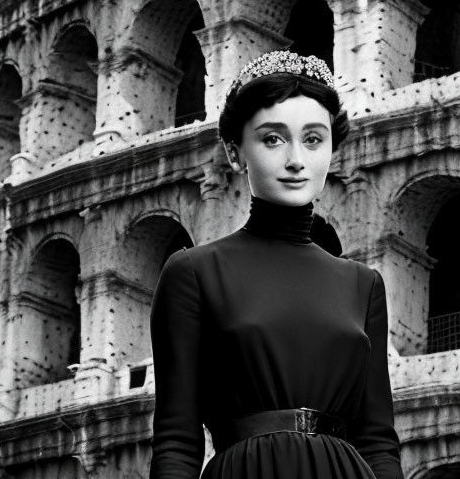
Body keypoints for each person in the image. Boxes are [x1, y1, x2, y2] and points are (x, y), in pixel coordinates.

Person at [149, 50, 404, 479]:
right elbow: (176, 440)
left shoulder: (363, 284)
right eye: (272, 138)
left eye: (313, 139)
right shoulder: (193, 273)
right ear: (235, 153)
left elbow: (378, 441)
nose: (296, 160)